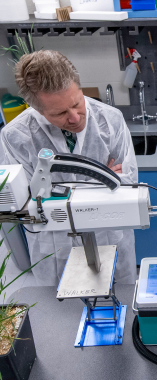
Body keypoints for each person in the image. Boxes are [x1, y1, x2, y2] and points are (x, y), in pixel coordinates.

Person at [0, 50, 138, 286]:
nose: (75, 118)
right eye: (60, 113)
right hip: (55, 246)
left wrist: (53, 189)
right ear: (38, 110)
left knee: (119, 300)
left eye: (77, 103)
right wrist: (101, 180)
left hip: (109, 236)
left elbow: (127, 184)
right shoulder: (16, 137)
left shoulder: (110, 120)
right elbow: (20, 206)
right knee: (61, 315)